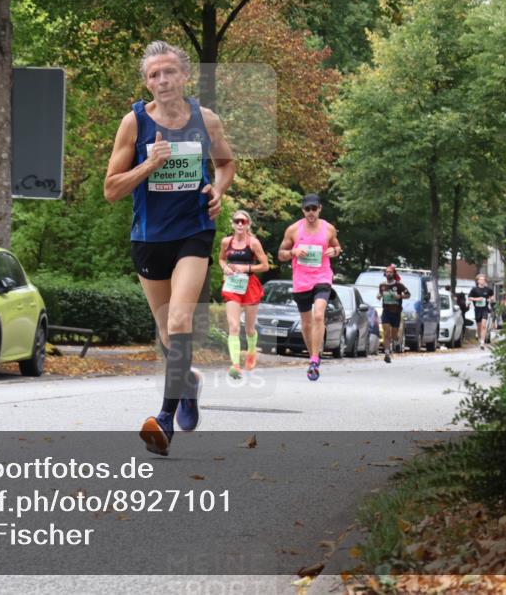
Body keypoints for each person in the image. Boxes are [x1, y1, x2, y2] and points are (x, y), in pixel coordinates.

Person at [105, 40, 235, 457]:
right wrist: (149, 165)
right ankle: (189, 383)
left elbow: (226, 163)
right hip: (149, 237)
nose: (162, 80)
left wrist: (217, 189)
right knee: (167, 331)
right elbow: (111, 189)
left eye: (169, 72)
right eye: (153, 74)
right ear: (147, 82)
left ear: (184, 76)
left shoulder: (205, 119)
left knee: (180, 318)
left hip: (193, 231)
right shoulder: (134, 123)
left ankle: (163, 419)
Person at [278, 193, 341, 381]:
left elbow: (337, 247)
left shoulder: (328, 229)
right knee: (306, 323)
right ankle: (314, 353)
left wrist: (334, 251)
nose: (311, 212)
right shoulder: (293, 230)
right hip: (301, 279)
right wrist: (293, 251)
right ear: (303, 210)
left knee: (319, 315)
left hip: (322, 276)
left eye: (314, 208)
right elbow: (281, 254)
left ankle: (314, 359)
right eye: (308, 209)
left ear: (320, 209)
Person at [219, 209, 269, 379]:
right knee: (233, 326)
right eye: (237, 221)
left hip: (250, 286)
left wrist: (246, 268)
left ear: (248, 225)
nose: (240, 224)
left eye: (244, 221)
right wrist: (225, 267)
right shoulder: (226, 242)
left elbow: (265, 266)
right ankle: (235, 365)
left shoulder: (253, 243)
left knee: (249, 329)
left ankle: (252, 351)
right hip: (232, 286)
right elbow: (221, 259)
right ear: (232, 224)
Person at [377, 265, 410, 363]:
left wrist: (399, 296)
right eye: (387, 272)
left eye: (390, 272)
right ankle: (387, 353)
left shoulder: (399, 285)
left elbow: (408, 294)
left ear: (394, 273)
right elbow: (380, 294)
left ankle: (395, 340)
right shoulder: (382, 285)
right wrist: (379, 295)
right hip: (386, 311)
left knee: (394, 335)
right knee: (386, 333)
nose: (388, 274)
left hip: (396, 312)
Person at [469, 274, 495, 349]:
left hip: (485, 309)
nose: (482, 281)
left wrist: (490, 299)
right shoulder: (474, 289)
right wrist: (477, 299)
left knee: (484, 326)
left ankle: (482, 342)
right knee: (479, 327)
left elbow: (492, 296)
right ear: (478, 281)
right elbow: (470, 298)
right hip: (477, 309)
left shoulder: (488, 289)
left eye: (483, 279)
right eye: (481, 279)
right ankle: (480, 339)